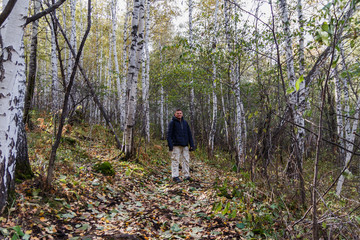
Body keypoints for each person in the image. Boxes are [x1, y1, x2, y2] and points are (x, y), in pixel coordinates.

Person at [167, 109, 195, 183]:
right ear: (175, 114)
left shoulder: (185, 123)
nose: (179, 114)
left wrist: (191, 145)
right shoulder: (172, 123)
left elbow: (189, 134)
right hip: (176, 145)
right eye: (177, 113)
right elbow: (169, 135)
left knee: (186, 160)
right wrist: (170, 145)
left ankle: (186, 175)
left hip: (185, 145)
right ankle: (175, 176)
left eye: (180, 113)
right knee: (175, 160)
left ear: (182, 114)